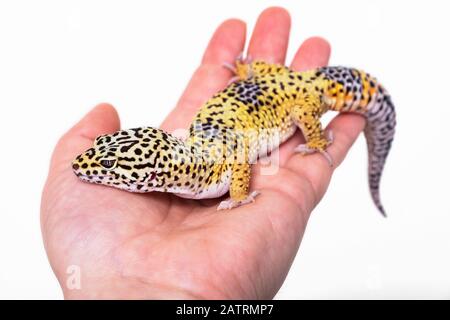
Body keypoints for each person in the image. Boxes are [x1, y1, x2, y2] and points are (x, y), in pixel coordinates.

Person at [41, 7, 365, 299]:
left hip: (296, 95)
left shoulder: (209, 172)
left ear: (153, 173)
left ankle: (320, 139)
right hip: (259, 95)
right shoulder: (186, 169)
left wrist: (240, 195)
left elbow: (239, 159)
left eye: (110, 164)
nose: (91, 166)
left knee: (299, 108)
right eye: (106, 158)